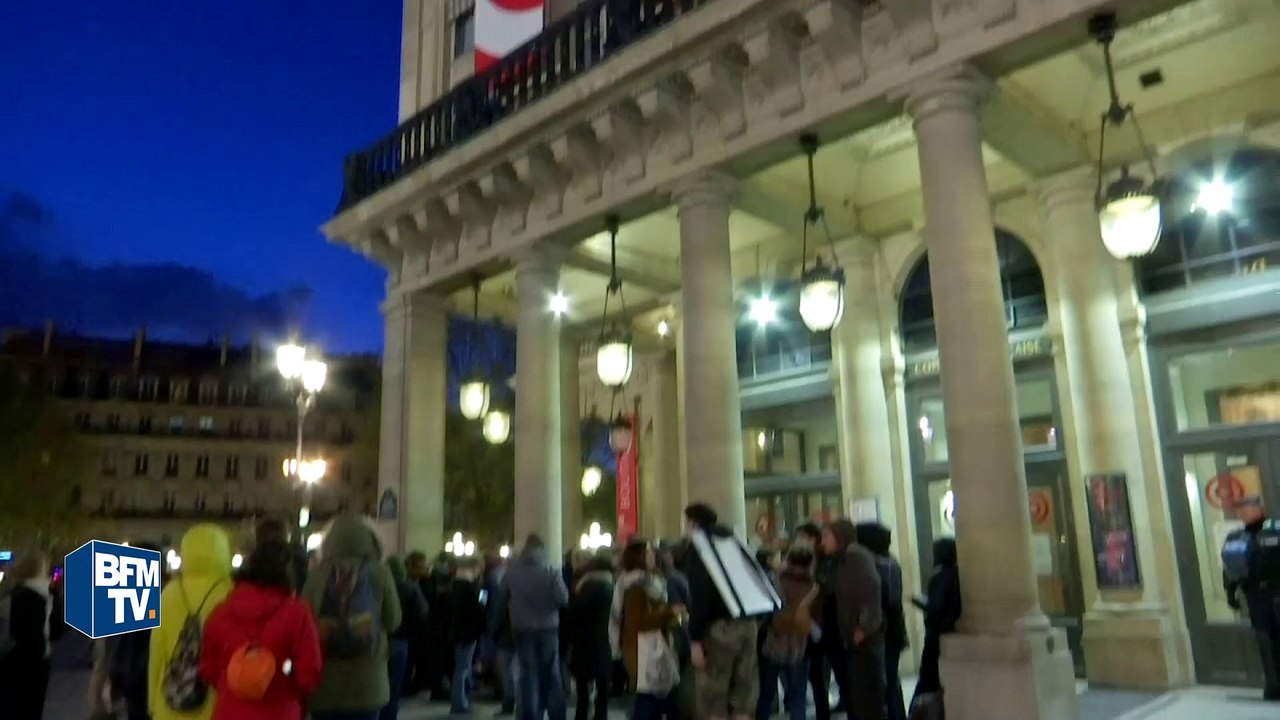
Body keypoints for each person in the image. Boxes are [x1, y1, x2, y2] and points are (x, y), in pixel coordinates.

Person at [199, 540, 323, 720]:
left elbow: (208, 668)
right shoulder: (297, 613)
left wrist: (236, 679)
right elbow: (308, 673)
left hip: (230, 711)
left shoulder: (221, 613)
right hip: (281, 712)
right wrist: (285, 670)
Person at [303, 512, 404, 720]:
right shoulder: (380, 572)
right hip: (367, 683)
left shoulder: (316, 574)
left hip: (325, 684)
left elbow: (304, 622)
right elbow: (393, 621)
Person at [684, 503, 777, 720]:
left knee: (713, 696)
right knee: (744, 693)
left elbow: (701, 596)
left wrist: (696, 638)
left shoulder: (700, 548)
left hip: (719, 629)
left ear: (693, 523)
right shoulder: (735, 542)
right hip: (748, 623)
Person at [150, 524, 235, 720]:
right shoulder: (230, 593)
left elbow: (157, 650)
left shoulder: (168, 593)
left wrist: (153, 701)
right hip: (215, 702)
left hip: (171, 699)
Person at [500, 534, 569, 720]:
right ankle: (556, 714)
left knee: (527, 673)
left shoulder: (512, 571)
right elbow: (563, 599)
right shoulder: (551, 569)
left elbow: (502, 597)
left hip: (521, 628)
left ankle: (529, 714)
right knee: (552, 673)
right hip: (548, 627)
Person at [612, 539, 683, 720]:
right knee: (650, 701)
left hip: (655, 647)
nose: (653, 555)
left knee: (658, 701)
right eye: (649, 552)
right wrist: (669, 613)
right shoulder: (635, 586)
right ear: (639, 556)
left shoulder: (652, 582)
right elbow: (637, 622)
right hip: (644, 650)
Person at [823, 520, 885, 720]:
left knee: (866, 696)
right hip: (853, 637)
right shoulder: (842, 558)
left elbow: (870, 591)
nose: (823, 541)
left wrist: (863, 627)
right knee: (858, 696)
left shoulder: (855, 556)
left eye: (827, 536)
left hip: (864, 639)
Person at [1222, 496, 1280, 701]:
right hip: (1256, 597)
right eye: (1240, 509)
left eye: (1246, 508)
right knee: (1265, 642)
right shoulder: (1236, 537)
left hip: (1277, 592)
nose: (1243, 513)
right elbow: (1230, 569)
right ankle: (1273, 686)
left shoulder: (1275, 530)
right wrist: (1230, 593)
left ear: (1259, 508)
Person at [757, 546, 818, 720]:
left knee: (765, 695)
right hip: (800, 644)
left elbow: (766, 611)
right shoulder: (813, 585)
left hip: (774, 642)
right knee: (798, 696)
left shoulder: (775, 580)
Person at [857, 522, 908, 720]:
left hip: (885, 628)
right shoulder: (890, 561)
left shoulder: (878, 564)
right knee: (891, 680)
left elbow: (886, 599)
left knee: (886, 681)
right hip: (892, 627)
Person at [794, 523, 841, 720]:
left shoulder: (825, 560)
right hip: (813, 626)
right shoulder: (809, 560)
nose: (799, 542)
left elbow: (822, 586)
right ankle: (823, 712)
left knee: (832, 670)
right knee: (816, 674)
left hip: (827, 624)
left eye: (803, 537)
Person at [0, 549, 54, 720]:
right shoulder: (29, 596)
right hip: (28, 663)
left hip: (29, 662)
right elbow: (31, 634)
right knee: (27, 708)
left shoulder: (37, 594)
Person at [911, 538, 961, 711]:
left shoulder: (940, 576)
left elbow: (936, 607)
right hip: (952, 631)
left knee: (927, 680)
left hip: (937, 633)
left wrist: (920, 603)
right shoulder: (958, 574)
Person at [569, 555, 614, 720]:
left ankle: (581, 715)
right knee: (603, 686)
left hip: (583, 642)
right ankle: (601, 716)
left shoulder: (584, 587)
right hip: (604, 640)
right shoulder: (611, 586)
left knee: (582, 687)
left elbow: (573, 615)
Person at [385, 555, 429, 720]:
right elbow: (423, 611)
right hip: (402, 639)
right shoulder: (410, 587)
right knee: (395, 686)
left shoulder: (382, 586)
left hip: (383, 640)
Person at [451, 556, 488, 715]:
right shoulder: (468, 587)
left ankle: (460, 700)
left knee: (461, 668)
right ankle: (459, 702)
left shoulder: (455, 585)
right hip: (467, 632)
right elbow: (478, 608)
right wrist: (483, 599)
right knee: (463, 668)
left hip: (458, 632)